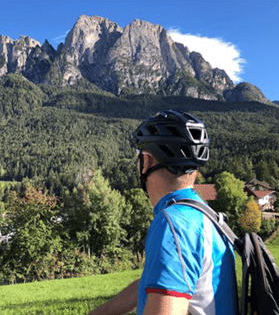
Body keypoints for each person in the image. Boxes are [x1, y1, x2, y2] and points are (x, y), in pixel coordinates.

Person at [88, 109, 238, 315]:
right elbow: (157, 282)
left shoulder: (173, 224)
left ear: (147, 162)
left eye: (138, 156)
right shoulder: (202, 215)